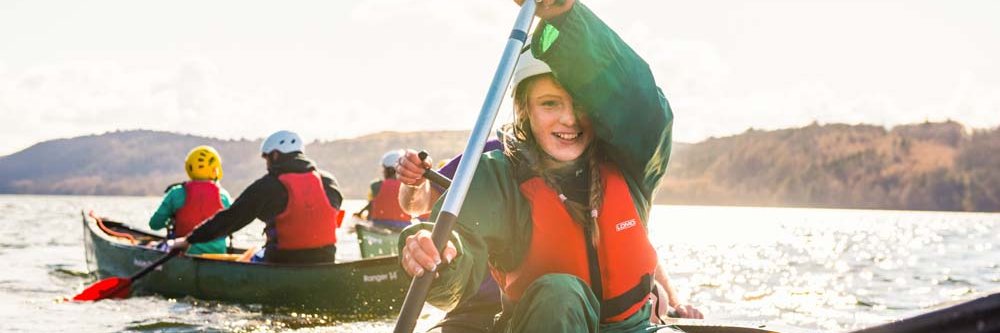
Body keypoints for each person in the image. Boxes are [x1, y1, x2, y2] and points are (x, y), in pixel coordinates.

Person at [398, 1, 700, 331]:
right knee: (561, 293)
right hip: (544, 322)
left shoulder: (630, 160)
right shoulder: (497, 174)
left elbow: (641, 104)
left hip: (633, 327)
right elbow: (462, 239)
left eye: (580, 104)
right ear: (524, 110)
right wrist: (440, 255)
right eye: (549, 104)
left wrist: (562, 17)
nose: (569, 119)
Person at [170, 130, 345, 264]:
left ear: (275, 155)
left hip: (282, 261)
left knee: (249, 256)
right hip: (325, 260)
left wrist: (189, 240)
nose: (267, 164)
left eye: (267, 158)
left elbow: (231, 218)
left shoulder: (268, 185)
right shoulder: (329, 181)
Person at [149, 145, 232, 255]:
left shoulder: (176, 192)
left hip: (184, 251)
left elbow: (154, 224)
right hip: (218, 253)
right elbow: (232, 227)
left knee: (150, 245)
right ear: (215, 169)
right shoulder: (224, 195)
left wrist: (170, 219)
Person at [355, 150, 415, 229]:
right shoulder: (409, 186)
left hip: (379, 225)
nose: (383, 172)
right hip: (403, 227)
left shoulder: (376, 185)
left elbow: (371, 205)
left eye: (384, 169)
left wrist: (360, 213)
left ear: (388, 170)